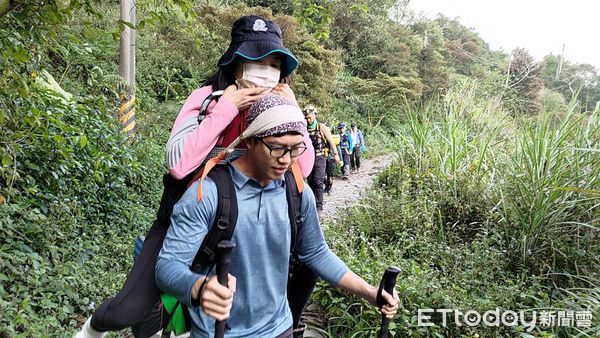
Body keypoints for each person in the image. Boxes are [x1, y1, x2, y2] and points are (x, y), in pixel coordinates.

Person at [75, 15, 315, 338]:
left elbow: (304, 168)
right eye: (256, 60)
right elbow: (178, 164)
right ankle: (94, 328)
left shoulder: (280, 111)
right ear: (235, 64)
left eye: (273, 63)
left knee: (304, 271)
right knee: (127, 311)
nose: (265, 69)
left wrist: (293, 111)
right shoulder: (205, 100)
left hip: (240, 233)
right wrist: (226, 108)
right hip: (186, 226)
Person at [156, 94, 399, 338]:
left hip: (280, 328)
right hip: (218, 332)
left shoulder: (297, 193)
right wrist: (199, 288)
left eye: (295, 149)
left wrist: (369, 292)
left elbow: (316, 252)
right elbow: (167, 266)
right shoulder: (207, 194)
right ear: (250, 141)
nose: (285, 160)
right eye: (276, 148)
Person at [303, 105, 339, 211]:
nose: (308, 119)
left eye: (309, 117)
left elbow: (330, 141)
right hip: (308, 158)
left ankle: (319, 206)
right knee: (310, 182)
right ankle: (313, 203)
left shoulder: (321, 127)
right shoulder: (304, 128)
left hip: (320, 157)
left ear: (315, 115)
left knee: (318, 181)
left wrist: (336, 154)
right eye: (306, 117)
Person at [324, 126, 340, 195]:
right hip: (323, 158)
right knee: (321, 174)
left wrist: (339, 158)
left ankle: (329, 188)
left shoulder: (334, 139)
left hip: (330, 158)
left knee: (330, 174)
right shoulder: (322, 137)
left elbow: (337, 148)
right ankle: (327, 186)